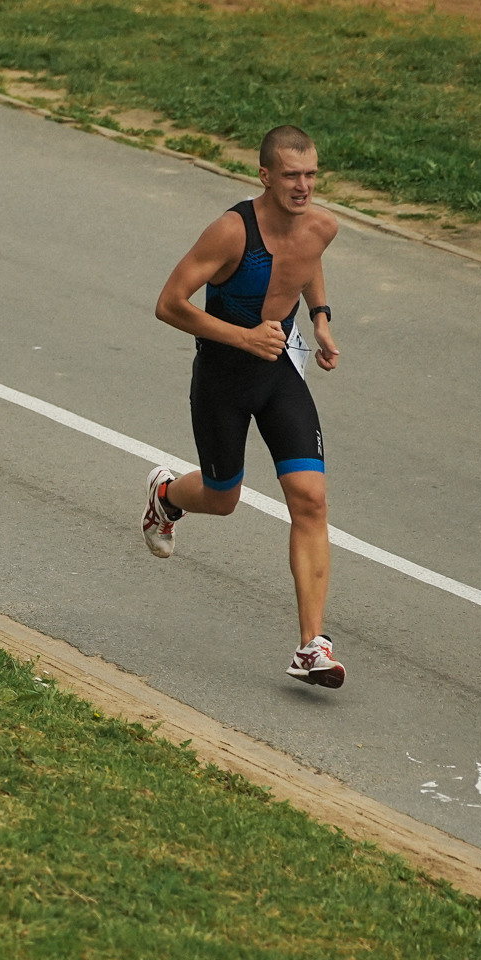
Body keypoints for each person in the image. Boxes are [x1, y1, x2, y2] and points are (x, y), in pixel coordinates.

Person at [142, 125, 346, 689]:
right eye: (291, 176)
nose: (303, 186)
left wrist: (322, 319)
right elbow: (168, 303)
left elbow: (307, 263)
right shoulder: (232, 232)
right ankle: (165, 494)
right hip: (223, 376)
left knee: (310, 499)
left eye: (310, 175)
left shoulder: (322, 226)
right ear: (264, 176)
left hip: (277, 372)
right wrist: (244, 338)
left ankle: (311, 645)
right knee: (222, 497)